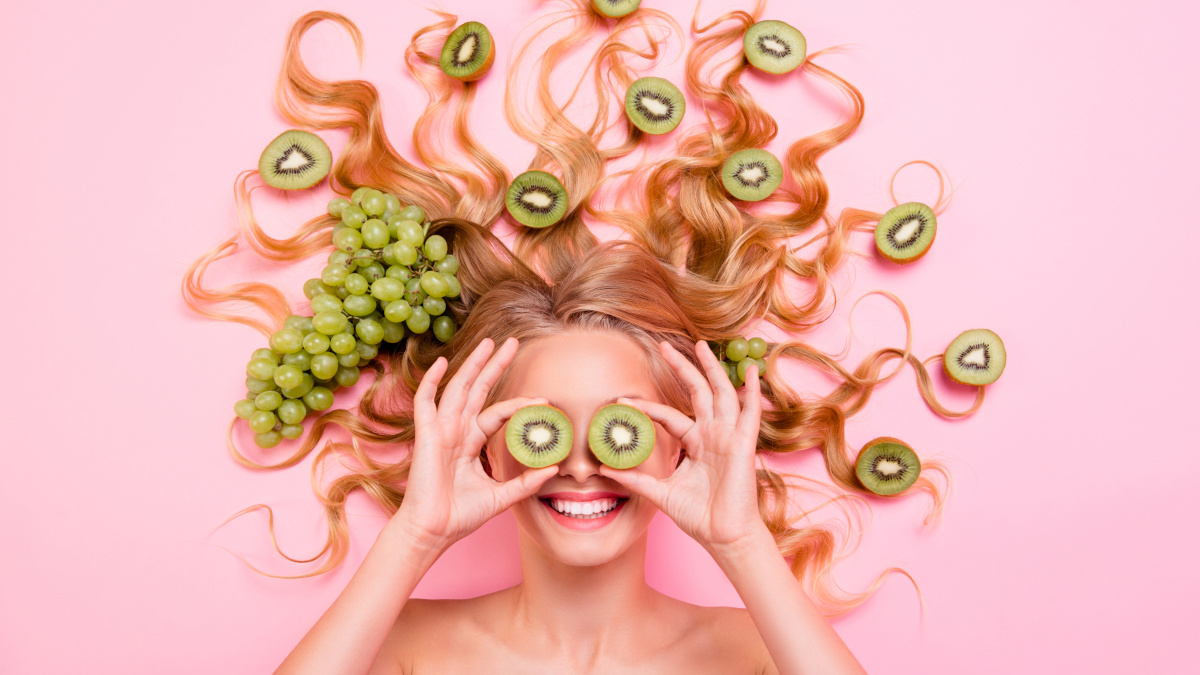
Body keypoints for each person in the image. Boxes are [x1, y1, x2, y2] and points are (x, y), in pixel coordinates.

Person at [270, 241, 869, 674]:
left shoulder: (760, 654)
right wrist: (415, 537)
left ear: (680, 447)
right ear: (489, 453)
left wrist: (741, 541)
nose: (581, 464)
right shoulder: (402, 647)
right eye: (543, 424)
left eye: (622, 424)